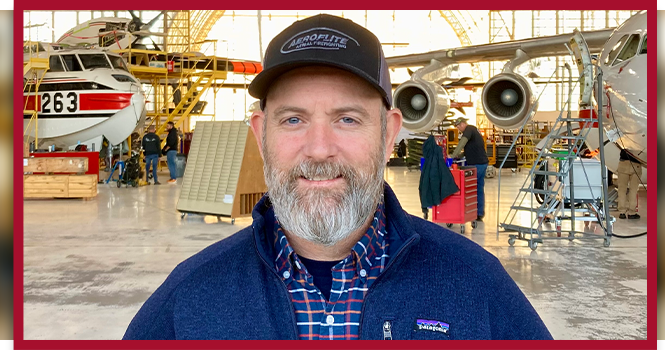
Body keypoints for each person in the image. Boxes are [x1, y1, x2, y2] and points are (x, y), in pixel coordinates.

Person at [124, 14, 550, 340]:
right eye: (293, 120)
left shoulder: (474, 282)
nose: (319, 148)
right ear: (260, 134)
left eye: (347, 119)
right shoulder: (192, 296)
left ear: (388, 135)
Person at [448, 117, 489, 222]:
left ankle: (471, 212)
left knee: (471, 188)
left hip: (477, 164)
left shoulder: (469, 130)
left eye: (458, 126)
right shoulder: (473, 131)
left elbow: (462, 143)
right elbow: (469, 149)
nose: (458, 129)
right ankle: (479, 213)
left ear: (462, 124)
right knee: (479, 188)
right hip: (482, 163)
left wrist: (452, 156)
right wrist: (459, 156)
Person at [616, 148, 643, 219]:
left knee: (622, 190)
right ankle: (632, 212)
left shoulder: (624, 138)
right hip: (636, 164)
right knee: (633, 190)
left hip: (623, 164)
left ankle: (622, 212)